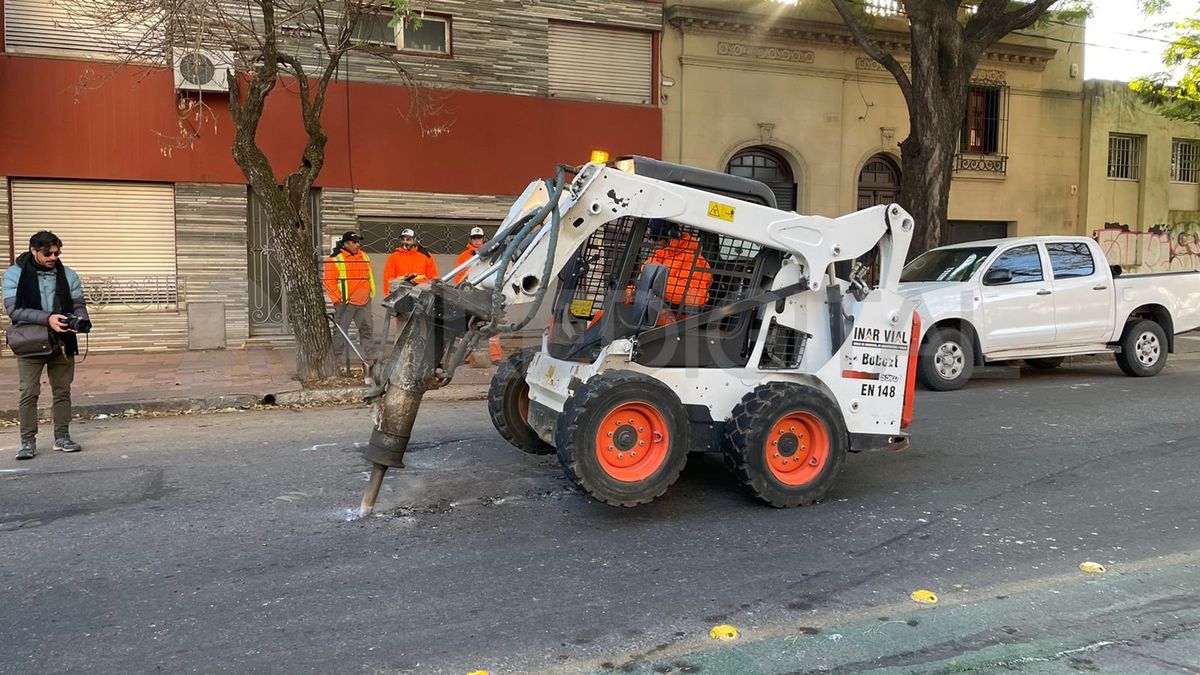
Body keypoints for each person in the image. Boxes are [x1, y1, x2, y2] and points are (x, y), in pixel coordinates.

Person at [3, 231, 89, 460]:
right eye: (47, 253)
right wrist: (48, 318)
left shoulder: (68, 274)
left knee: (62, 391)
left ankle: (62, 437)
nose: (53, 257)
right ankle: (27, 442)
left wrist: (79, 320)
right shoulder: (15, 274)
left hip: (62, 341)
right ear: (33, 251)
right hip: (30, 340)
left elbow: (78, 304)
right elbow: (14, 310)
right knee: (29, 392)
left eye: (57, 252)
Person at [322, 231, 376, 372]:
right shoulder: (334, 259)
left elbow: (368, 276)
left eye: (358, 242)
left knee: (367, 330)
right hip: (345, 302)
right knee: (340, 332)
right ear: (346, 244)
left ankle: (371, 358)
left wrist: (369, 293)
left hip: (364, 300)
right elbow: (329, 282)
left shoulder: (364, 256)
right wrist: (337, 300)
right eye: (354, 242)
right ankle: (336, 360)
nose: (358, 244)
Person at [641, 219, 713, 325]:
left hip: (679, 319)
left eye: (656, 238)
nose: (653, 242)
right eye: (651, 238)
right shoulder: (658, 256)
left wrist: (658, 284)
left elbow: (697, 297)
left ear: (671, 236)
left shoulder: (694, 260)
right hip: (653, 311)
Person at [454, 227, 503, 364]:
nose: (477, 241)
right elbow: (458, 277)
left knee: (493, 325)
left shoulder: (492, 255)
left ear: (483, 239)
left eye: (479, 238)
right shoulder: (463, 257)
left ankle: (496, 356)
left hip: (487, 294)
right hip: (470, 295)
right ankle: (466, 357)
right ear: (471, 239)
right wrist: (465, 288)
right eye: (474, 238)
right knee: (468, 326)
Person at [383, 228, 439, 293]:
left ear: (415, 240)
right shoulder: (393, 257)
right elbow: (388, 278)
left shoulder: (426, 255)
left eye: (408, 239)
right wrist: (388, 295)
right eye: (403, 239)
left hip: (421, 294)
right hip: (401, 294)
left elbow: (433, 277)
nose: (405, 242)